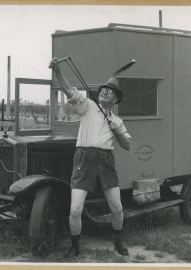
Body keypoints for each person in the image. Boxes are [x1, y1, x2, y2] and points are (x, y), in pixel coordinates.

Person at [50, 58, 132, 257]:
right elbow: (68, 90)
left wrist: (117, 131)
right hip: (84, 158)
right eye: (103, 90)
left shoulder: (117, 121)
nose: (105, 92)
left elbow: (128, 145)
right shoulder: (87, 105)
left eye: (110, 91)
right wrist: (58, 71)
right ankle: (75, 245)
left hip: (106, 160)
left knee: (117, 208)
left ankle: (118, 241)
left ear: (115, 100)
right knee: (75, 210)